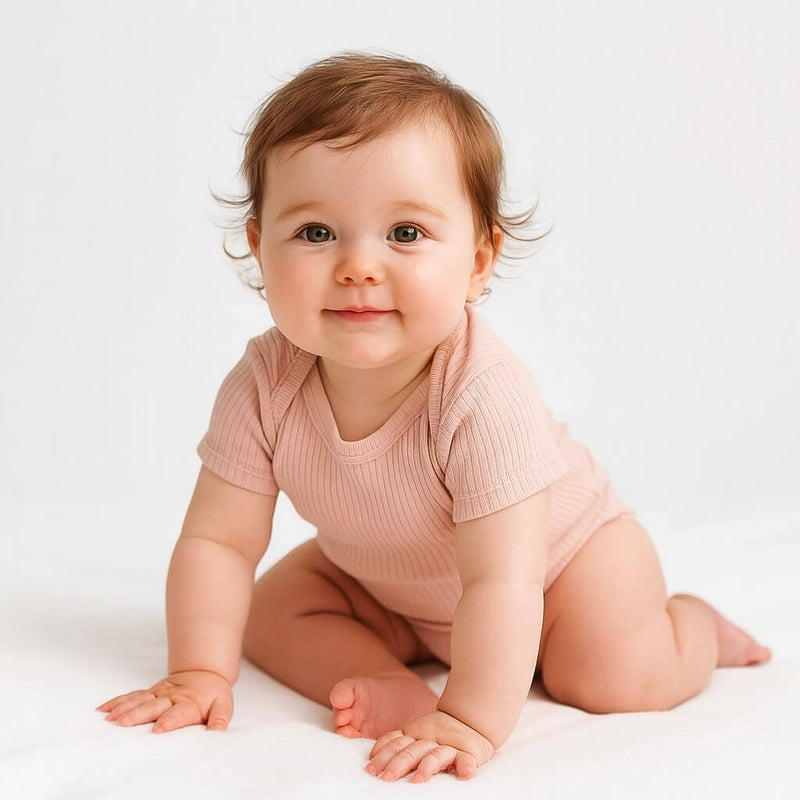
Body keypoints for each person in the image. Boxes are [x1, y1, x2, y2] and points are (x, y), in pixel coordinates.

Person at [96, 51, 772, 784]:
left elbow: (503, 581)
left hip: (560, 572)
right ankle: (389, 680)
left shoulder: (482, 393)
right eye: (316, 233)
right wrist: (197, 670)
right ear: (261, 250)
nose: (358, 266)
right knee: (270, 610)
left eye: (406, 233)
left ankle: (694, 629)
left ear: (478, 262)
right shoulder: (264, 383)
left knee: (614, 677)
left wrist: (469, 718)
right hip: (388, 582)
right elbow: (220, 541)